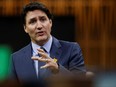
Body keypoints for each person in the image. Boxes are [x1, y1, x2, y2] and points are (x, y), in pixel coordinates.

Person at [9, 1, 86, 86]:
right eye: (33, 21)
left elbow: (82, 83)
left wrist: (58, 69)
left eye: (43, 19)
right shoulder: (16, 58)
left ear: (50, 22)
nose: (39, 26)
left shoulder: (71, 49)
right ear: (25, 28)